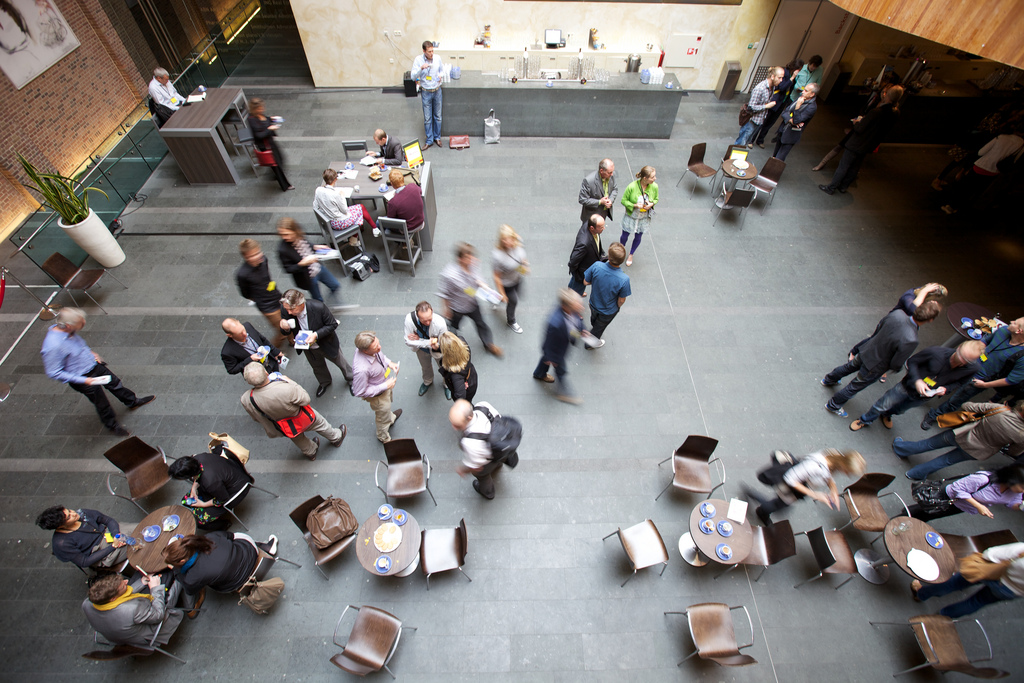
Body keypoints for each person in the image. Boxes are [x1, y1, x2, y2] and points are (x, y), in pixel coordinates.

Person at [41, 307, 155, 437]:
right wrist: (85, 380)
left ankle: (132, 401)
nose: (83, 323)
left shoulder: (68, 330)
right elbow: (54, 372)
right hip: (83, 377)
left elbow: (79, 346)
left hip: (94, 365)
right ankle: (112, 425)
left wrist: (91, 353)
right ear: (68, 325)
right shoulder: (53, 345)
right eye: (80, 323)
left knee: (115, 384)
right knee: (101, 403)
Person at [822, 301, 941, 417]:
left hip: (867, 349)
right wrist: (894, 369)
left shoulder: (897, 314)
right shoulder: (912, 339)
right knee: (854, 387)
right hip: (876, 365)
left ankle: (829, 379)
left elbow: (879, 328)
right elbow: (896, 362)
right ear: (930, 320)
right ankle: (833, 405)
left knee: (849, 367)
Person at [849, 340, 984, 431]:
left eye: (966, 360)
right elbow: (912, 362)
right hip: (907, 386)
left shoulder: (973, 368)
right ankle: (865, 420)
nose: (961, 361)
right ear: (958, 348)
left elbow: (961, 382)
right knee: (883, 404)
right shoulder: (936, 352)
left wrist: (946, 389)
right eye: (961, 355)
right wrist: (917, 380)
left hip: (925, 396)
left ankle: (887, 414)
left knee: (900, 410)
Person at [922, 317, 1024, 430]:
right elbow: (984, 341)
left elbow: (1010, 380)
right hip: (967, 365)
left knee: (956, 400)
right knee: (941, 379)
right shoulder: (1004, 330)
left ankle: (934, 415)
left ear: (1019, 331)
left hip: (980, 379)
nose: (1011, 321)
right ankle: (924, 393)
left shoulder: (1022, 357)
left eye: (1015, 322)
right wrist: (970, 355)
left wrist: (984, 385)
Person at [894, 400, 1024, 480]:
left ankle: (901, 448)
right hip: (978, 451)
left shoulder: (1000, 410)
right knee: (945, 461)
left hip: (962, 434)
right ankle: (914, 474)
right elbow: (1013, 451)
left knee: (929, 444)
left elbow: (967, 406)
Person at [240, 363, 347, 461]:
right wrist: (291, 382)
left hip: (282, 426)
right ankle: (336, 437)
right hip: (302, 416)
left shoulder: (246, 399)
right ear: (266, 372)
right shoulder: (284, 388)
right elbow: (305, 399)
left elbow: (256, 418)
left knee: (297, 438)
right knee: (320, 424)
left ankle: (311, 451)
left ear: (248, 382)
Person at [162, 531, 278, 613]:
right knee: (235, 537)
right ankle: (265, 547)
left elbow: (189, 590)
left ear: (182, 561)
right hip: (250, 553)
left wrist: (175, 570)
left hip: (237, 582)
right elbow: (230, 536)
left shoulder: (193, 577)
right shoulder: (209, 537)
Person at [745, 448, 866, 525]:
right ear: (844, 466)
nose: (848, 475)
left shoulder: (835, 455)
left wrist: (833, 489)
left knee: (781, 505)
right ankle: (759, 506)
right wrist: (815, 495)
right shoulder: (815, 467)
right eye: (849, 472)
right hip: (793, 487)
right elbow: (789, 479)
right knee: (780, 506)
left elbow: (828, 476)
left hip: (801, 486)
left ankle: (759, 503)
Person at [819, 85, 904, 195]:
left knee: (844, 165)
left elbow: (859, 129)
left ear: (888, 95)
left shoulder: (876, 112)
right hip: (869, 145)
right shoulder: (896, 113)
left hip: (857, 143)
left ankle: (831, 187)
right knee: (855, 166)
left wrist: (857, 122)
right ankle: (843, 187)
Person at [911, 541, 1024, 618]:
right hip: (1012, 590)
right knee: (976, 602)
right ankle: (941, 617)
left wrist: (985, 556)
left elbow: (994, 553)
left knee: (956, 582)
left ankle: (921, 594)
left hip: (994, 570)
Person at [278, 289, 354, 397]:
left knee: (341, 362)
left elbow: (332, 324)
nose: (289, 312)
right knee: (317, 366)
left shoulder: (318, 307)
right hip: (307, 347)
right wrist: (284, 327)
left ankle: (352, 379)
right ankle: (324, 382)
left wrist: (316, 335)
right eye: (287, 309)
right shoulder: (285, 309)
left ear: (301, 304)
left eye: (292, 309)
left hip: (326, 343)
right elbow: (286, 331)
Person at [82, 572, 184, 645]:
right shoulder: (132, 609)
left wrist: (141, 582)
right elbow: (158, 615)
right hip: (150, 633)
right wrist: (155, 588)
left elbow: (121, 598)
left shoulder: (87, 603)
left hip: (117, 635)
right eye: (123, 586)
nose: (126, 581)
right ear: (113, 598)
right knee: (177, 578)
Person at [438, 242, 503, 357]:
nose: (472, 259)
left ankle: (489, 344)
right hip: (457, 307)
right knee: (453, 326)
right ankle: (451, 346)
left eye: (472, 256)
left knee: (481, 323)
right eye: (468, 257)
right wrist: (446, 309)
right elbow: (445, 293)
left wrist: (484, 286)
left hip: (472, 303)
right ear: (460, 259)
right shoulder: (450, 275)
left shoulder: (473, 264)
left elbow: (478, 279)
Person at [534, 288, 596, 404]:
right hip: (556, 352)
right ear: (566, 307)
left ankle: (539, 374)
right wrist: (550, 357)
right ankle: (564, 393)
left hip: (560, 346)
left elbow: (576, 322)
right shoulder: (555, 324)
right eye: (578, 305)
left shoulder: (572, 312)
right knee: (561, 371)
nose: (582, 307)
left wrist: (582, 330)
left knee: (545, 361)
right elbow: (548, 342)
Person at [940, 129, 1024, 214]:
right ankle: (963, 208)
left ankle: (952, 206)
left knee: (965, 187)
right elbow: (1015, 159)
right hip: (995, 171)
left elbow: (981, 152)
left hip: (981, 165)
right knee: (977, 189)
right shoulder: (1022, 144)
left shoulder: (1001, 137)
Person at [450, 399, 519, 499]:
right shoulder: (483, 406)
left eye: (457, 425)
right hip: (501, 448)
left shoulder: (469, 442)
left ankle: (488, 493)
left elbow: (476, 467)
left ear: (469, 418)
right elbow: (499, 419)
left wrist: (463, 470)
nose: (454, 428)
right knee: (498, 459)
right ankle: (498, 465)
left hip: (487, 462)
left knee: (483, 477)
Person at [168, 451, 254, 530]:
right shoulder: (198, 457)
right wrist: (194, 488)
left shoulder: (210, 482)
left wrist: (203, 504)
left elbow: (222, 499)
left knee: (200, 522)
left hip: (235, 490)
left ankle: (224, 525)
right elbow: (199, 476)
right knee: (186, 500)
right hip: (228, 474)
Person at [906, 464, 1024, 522]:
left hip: (963, 506)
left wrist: (1020, 506)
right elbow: (956, 488)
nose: (1022, 491)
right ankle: (901, 519)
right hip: (948, 497)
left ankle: (907, 519)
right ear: (1011, 480)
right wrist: (979, 506)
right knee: (922, 512)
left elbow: (1012, 503)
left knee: (929, 515)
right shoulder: (983, 479)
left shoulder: (1015, 492)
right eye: (1022, 487)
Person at [276, 217, 344, 305]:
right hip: (308, 278)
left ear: (294, 231)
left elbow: (305, 245)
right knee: (318, 299)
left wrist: (315, 247)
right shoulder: (283, 250)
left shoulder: (299, 235)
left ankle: (331, 303)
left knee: (335, 285)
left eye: (287, 234)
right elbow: (288, 269)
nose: (284, 237)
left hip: (318, 267)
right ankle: (322, 309)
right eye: (282, 234)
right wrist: (302, 263)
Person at [36, 506, 127, 570]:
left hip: (110, 533)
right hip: (101, 552)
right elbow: (84, 562)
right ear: (61, 526)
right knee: (132, 546)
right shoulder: (62, 544)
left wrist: (116, 535)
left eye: (69, 511)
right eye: (69, 517)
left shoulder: (82, 513)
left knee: (135, 531)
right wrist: (113, 546)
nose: (74, 513)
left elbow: (107, 520)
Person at [352, 331, 403, 444]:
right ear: (365, 351)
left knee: (386, 409)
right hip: (378, 396)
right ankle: (383, 437)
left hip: (384, 384)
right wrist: (385, 386)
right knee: (382, 417)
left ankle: (390, 418)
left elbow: (380, 357)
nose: (380, 348)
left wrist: (390, 363)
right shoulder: (361, 370)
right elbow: (359, 392)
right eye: (376, 347)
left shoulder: (372, 350)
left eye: (378, 343)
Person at [236, 239, 287, 347]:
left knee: (287, 321)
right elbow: (245, 293)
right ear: (246, 257)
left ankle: (292, 340)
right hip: (267, 307)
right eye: (253, 255)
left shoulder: (263, 260)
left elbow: (267, 278)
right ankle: (273, 350)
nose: (258, 256)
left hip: (276, 296)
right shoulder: (242, 274)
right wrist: (258, 297)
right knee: (282, 331)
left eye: (258, 252)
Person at [583, 242, 631, 345]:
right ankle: (590, 344)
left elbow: (585, 282)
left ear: (609, 257)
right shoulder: (624, 279)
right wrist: (616, 307)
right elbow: (621, 300)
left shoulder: (597, 266)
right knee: (599, 328)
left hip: (593, 303)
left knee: (594, 319)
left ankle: (594, 327)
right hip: (608, 310)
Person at [248, 97, 293, 192]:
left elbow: (265, 121)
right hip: (266, 146)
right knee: (276, 164)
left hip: (270, 142)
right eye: (260, 108)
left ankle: (274, 175)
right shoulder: (252, 120)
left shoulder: (259, 116)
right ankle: (285, 185)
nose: (262, 109)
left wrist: (271, 119)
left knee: (280, 159)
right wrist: (269, 129)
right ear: (255, 109)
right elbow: (259, 135)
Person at [404, 300, 449, 397]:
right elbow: (408, 341)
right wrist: (427, 342)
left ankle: (447, 384)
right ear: (417, 316)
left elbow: (443, 342)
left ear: (432, 311)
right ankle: (427, 381)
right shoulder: (409, 320)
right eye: (424, 321)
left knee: (444, 367)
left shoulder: (440, 322)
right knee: (425, 367)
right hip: (421, 350)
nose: (428, 323)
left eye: (429, 319)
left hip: (437, 350)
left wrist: (418, 340)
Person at [754, 58, 801, 149]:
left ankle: (760, 139)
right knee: (764, 120)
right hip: (775, 100)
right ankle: (752, 139)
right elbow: (782, 87)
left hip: (782, 102)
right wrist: (792, 78)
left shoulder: (793, 76)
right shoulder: (784, 73)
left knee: (770, 123)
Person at [314, 168, 378, 233]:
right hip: (339, 223)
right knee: (361, 208)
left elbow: (316, 206)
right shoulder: (336, 194)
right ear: (335, 179)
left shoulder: (318, 190)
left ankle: (356, 236)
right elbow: (344, 210)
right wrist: (342, 196)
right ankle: (375, 228)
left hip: (328, 221)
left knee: (357, 211)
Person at [491, 224, 529, 334]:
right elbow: (496, 276)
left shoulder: (518, 243)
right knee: (513, 301)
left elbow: (522, 259)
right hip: (506, 283)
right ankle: (511, 321)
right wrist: (502, 293)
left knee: (517, 295)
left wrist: (525, 265)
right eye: (504, 239)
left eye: (509, 239)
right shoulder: (497, 255)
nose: (507, 242)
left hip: (517, 278)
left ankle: (496, 299)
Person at [619, 166, 658, 267]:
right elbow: (624, 200)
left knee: (638, 236)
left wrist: (651, 204)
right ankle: (621, 250)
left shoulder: (654, 187)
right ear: (645, 178)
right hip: (631, 216)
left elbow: (656, 199)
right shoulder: (632, 186)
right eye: (652, 177)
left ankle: (631, 254)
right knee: (625, 235)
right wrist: (635, 205)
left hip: (643, 217)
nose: (655, 179)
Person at [735, 67, 783, 148]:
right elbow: (751, 107)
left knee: (746, 142)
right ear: (772, 76)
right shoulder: (760, 88)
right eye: (779, 77)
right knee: (741, 144)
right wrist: (766, 106)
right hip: (751, 121)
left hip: (759, 120)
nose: (781, 80)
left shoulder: (772, 87)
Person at [771, 83, 818, 161]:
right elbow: (785, 112)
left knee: (778, 159)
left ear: (812, 94)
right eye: (804, 89)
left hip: (790, 135)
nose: (803, 92)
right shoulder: (800, 98)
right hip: (783, 129)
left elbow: (797, 120)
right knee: (774, 156)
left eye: (806, 91)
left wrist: (797, 107)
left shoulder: (812, 107)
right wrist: (790, 120)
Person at [412, 41, 444, 148]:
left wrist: (440, 76)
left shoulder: (437, 58)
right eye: (429, 52)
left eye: (432, 51)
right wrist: (421, 68)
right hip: (426, 91)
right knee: (427, 118)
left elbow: (442, 71)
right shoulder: (418, 60)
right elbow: (413, 76)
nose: (431, 54)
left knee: (438, 116)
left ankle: (437, 137)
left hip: (437, 90)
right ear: (424, 51)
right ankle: (429, 140)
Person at [567, 214, 606, 296]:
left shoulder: (592, 228)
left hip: (586, 266)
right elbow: (573, 261)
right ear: (592, 228)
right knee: (577, 287)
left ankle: (574, 291)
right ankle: (573, 295)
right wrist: (578, 276)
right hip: (582, 273)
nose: (604, 228)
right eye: (601, 227)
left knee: (576, 285)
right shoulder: (584, 243)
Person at [438, 331, 477, 402]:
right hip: (471, 377)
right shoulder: (463, 343)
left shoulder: (455, 375)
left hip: (467, 390)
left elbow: (460, 397)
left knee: (467, 403)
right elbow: (450, 348)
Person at [578, 159, 618, 227]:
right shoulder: (589, 181)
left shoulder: (610, 176)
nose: (612, 174)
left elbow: (615, 188)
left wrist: (610, 200)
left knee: (599, 230)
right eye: (609, 172)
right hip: (591, 216)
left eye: (612, 172)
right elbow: (582, 199)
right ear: (601, 171)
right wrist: (600, 202)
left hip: (603, 212)